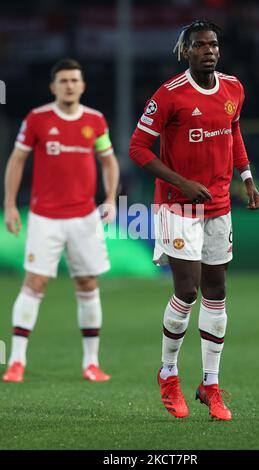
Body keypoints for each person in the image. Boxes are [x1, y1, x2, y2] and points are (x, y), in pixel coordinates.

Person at [129, 20, 259, 421]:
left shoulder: (233, 88)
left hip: (219, 204)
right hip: (176, 205)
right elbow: (137, 148)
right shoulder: (168, 95)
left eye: (214, 45)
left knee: (217, 291)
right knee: (187, 290)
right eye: (200, 45)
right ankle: (168, 373)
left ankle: (210, 383)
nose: (209, 51)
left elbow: (233, 130)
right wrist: (181, 182)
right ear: (185, 51)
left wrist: (247, 177)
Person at [3, 58, 119, 383]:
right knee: (35, 283)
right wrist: (10, 205)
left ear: (82, 86)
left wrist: (110, 199)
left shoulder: (95, 121)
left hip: (84, 217)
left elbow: (109, 162)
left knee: (87, 283)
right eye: (63, 80)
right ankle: (16, 361)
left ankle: (91, 363)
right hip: (45, 217)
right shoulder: (37, 119)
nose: (69, 85)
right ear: (53, 86)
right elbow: (17, 160)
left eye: (74, 80)